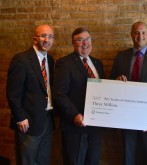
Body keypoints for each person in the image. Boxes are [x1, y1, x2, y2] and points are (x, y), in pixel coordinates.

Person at [110, 21, 147, 165]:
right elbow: (110, 82)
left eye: (143, 32)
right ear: (131, 35)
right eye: (136, 32)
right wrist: (116, 80)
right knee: (127, 156)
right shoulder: (121, 56)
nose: (140, 36)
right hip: (126, 116)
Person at [53, 27, 105, 165]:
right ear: (73, 43)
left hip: (95, 127)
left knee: (93, 161)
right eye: (80, 40)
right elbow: (59, 94)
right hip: (75, 127)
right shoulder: (64, 63)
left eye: (87, 39)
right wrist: (75, 115)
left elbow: (103, 92)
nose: (85, 43)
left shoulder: (97, 64)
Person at [6, 24, 55, 165]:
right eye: (43, 36)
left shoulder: (50, 60)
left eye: (51, 36)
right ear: (35, 39)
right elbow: (13, 93)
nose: (47, 40)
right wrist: (20, 118)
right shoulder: (21, 60)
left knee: (43, 160)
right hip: (28, 122)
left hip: (47, 119)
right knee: (28, 161)